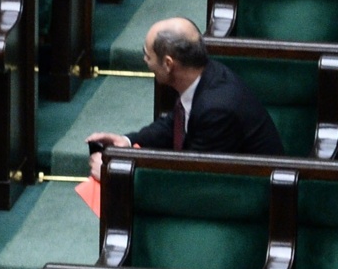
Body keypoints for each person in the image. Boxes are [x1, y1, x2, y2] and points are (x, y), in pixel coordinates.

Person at [87, 18, 284, 178]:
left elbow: (191, 180)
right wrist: (128, 142)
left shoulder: (216, 110)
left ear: (168, 64)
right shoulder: (204, 74)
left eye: (147, 55)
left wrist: (114, 175)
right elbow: (174, 124)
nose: (144, 61)